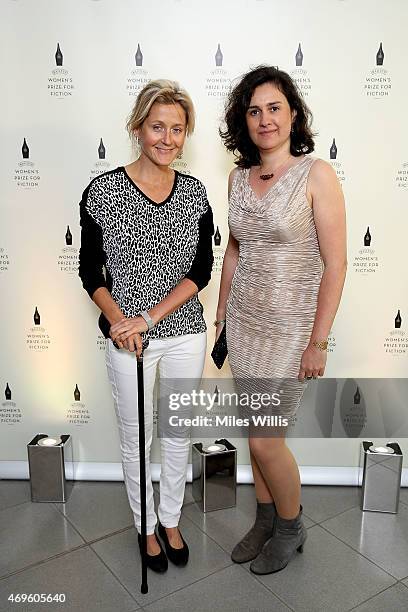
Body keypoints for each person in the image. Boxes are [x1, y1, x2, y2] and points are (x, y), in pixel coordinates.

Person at [78, 80, 214, 573]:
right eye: (158, 126)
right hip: (127, 341)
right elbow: (90, 270)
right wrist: (119, 322)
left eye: (177, 129)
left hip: (184, 333)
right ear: (138, 128)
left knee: (177, 432)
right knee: (139, 437)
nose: (167, 138)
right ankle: (145, 526)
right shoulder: (102, 191)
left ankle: (172, 520)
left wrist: (150, 316)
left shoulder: (195, 194)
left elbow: (200, 270)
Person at [216, 65, 347, 574]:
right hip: (245, 325)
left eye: (274, 108)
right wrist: (223, 315)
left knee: (267, 440)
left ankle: (291, 529)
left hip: (291, 332)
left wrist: (318, 341)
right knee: (257, 434)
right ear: (243, 122)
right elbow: (234, 252)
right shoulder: (237, 178)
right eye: (254, 111)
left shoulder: (317, 175)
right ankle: (265, 519)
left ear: (293, 114)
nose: (265, 119)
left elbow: (336, 264)